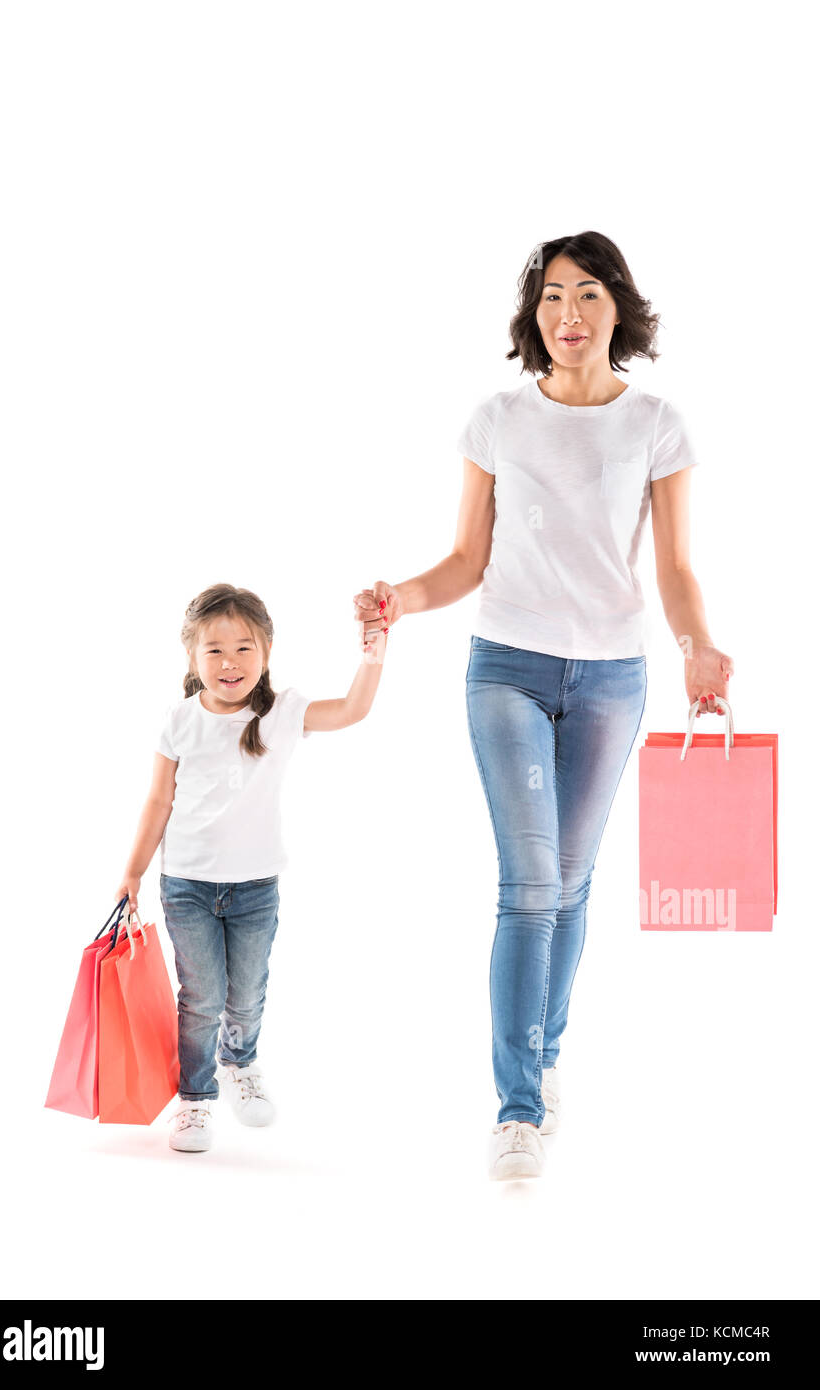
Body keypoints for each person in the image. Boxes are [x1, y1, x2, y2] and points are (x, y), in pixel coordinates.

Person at [352, 230, 734, 1181]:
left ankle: (544, 1048)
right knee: (528, 886)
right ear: (534, 314)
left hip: (611, 675)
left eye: (590, 295)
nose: (569, 313)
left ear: (619, 310)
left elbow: (677, 569)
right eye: (553, 296)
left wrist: (697, 647)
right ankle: (516, 1108)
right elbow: (465, 562)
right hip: (506, 669)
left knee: (571, 882)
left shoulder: (656, 423)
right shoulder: (496, 420)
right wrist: (400, 595)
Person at [116, 582, 386, 1152]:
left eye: (244, 647)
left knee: (247, 993)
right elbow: (157, 801)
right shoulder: (179, 720)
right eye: (214, 649)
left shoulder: (283, 713)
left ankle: (240, 1061)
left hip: (256, 887)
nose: (230, 662)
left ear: (265, 654)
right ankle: (195, 1098)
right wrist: (134, 871)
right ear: (191, 657)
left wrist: (373, 649)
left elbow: (354, 709)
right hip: (187, 884)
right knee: (202, 995)